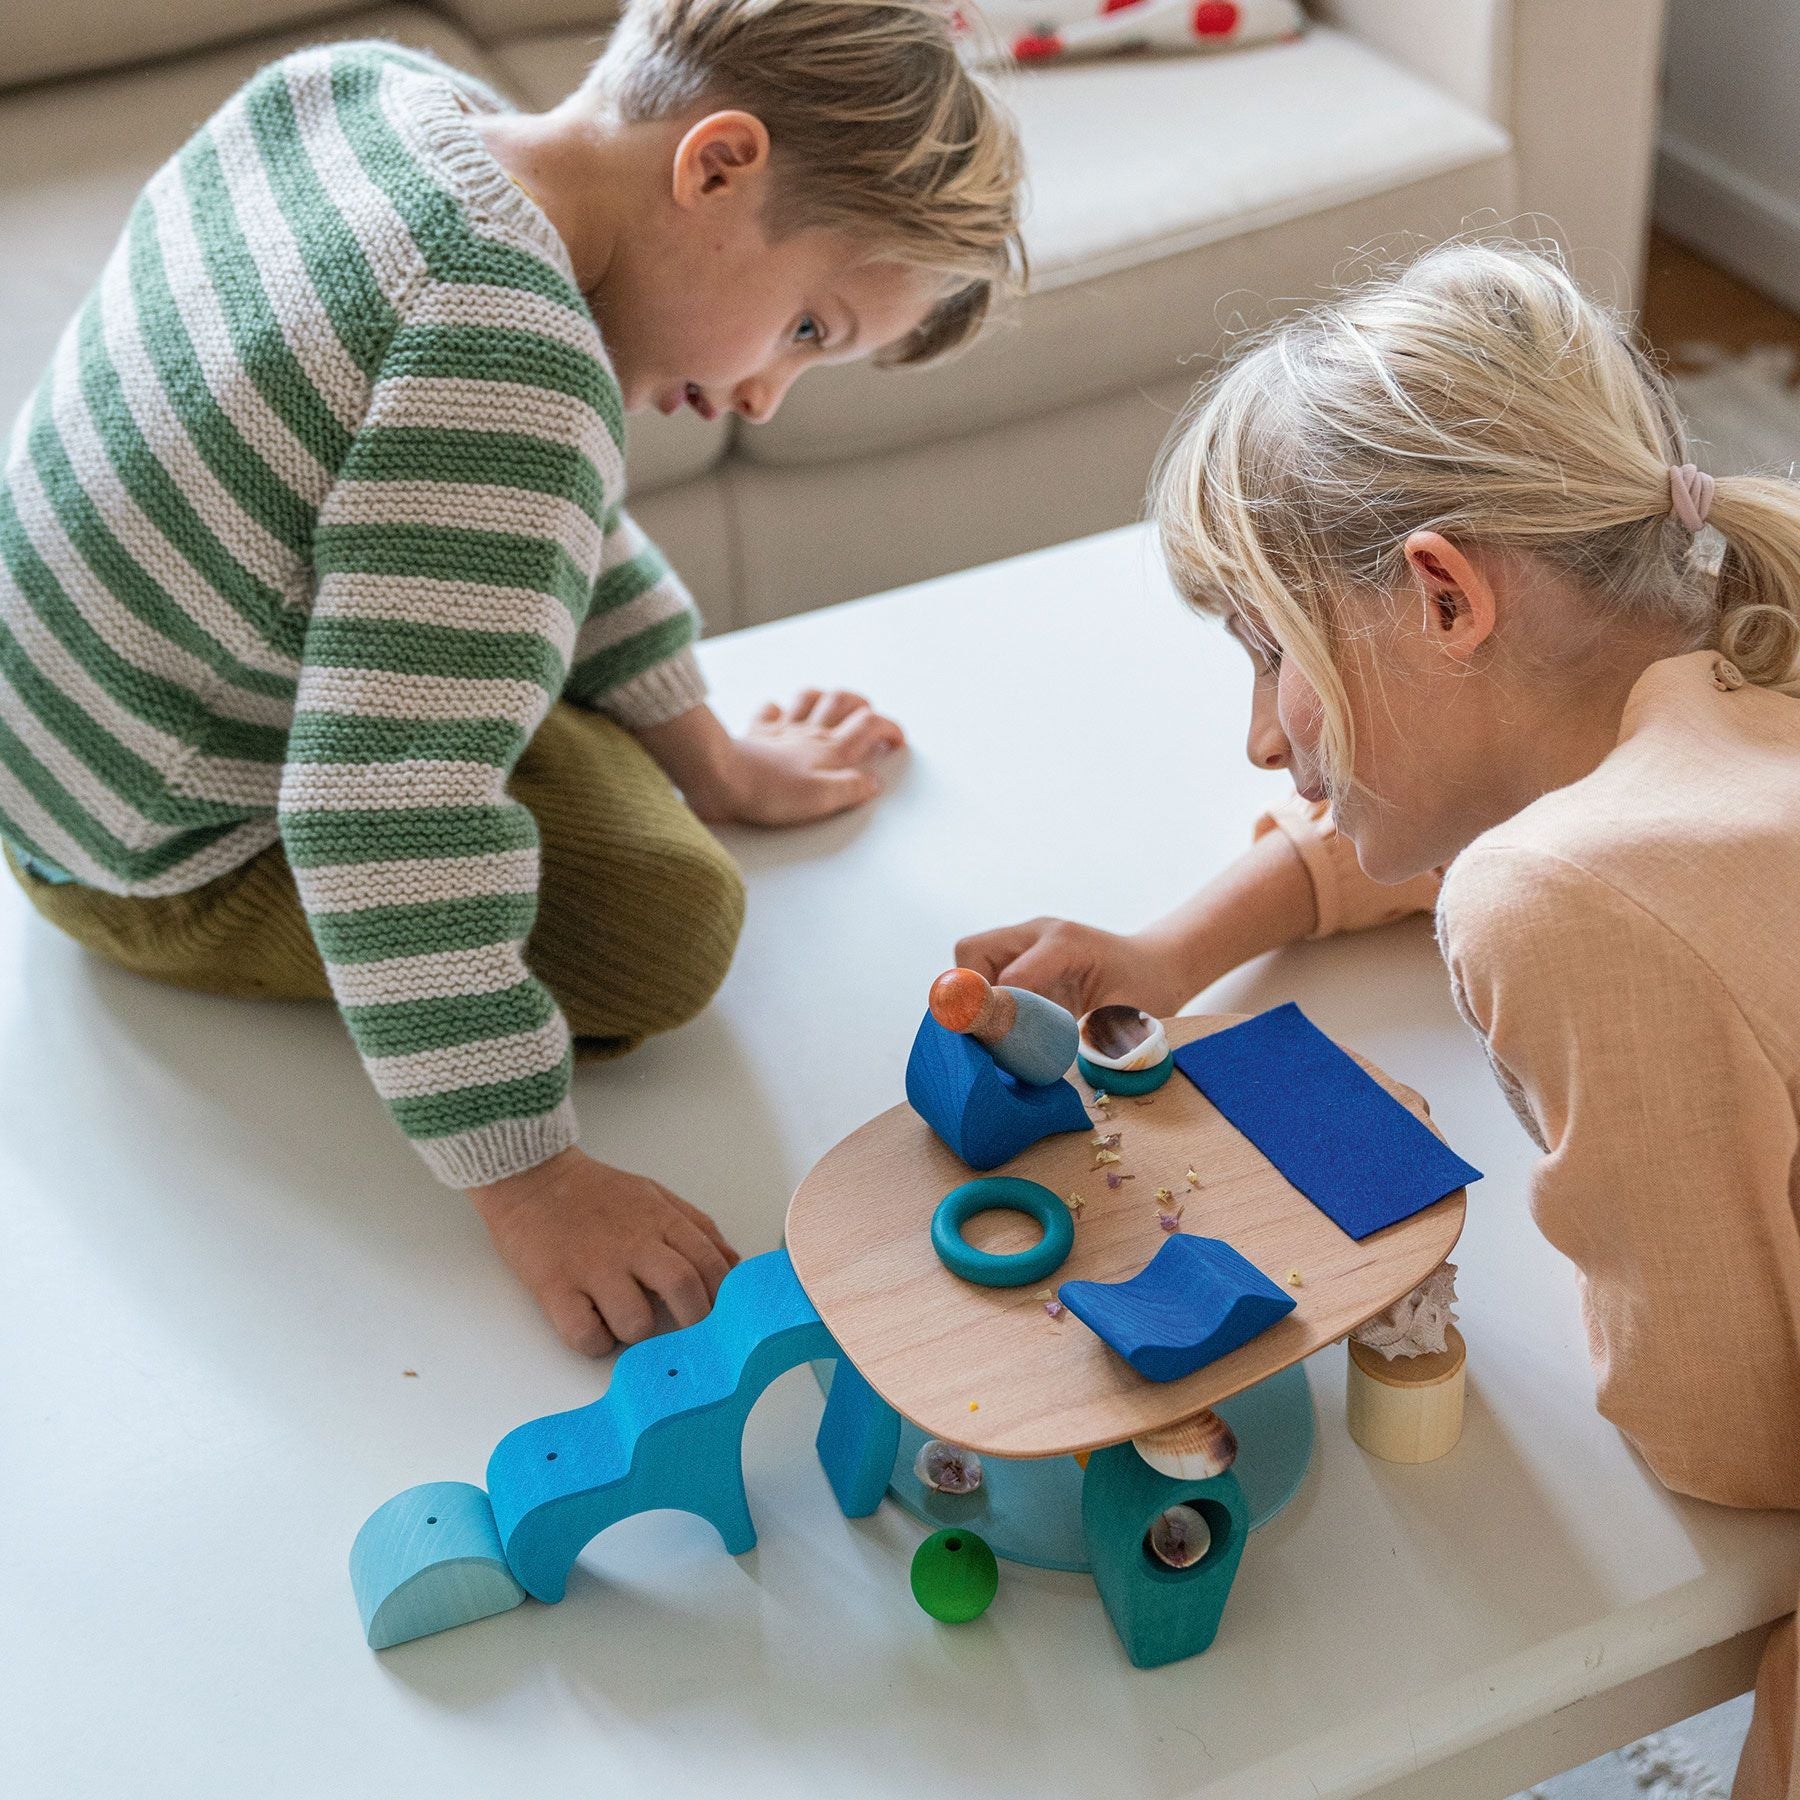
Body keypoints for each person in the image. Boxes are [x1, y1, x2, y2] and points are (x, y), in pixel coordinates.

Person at [0, 0, 1023, 1355]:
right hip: (151, 853)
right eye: (809, 328)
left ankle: (637, 737)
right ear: (716, 166)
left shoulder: (362, 92)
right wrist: (532, 1184)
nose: (770, 394)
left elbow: (537, 507)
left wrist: (705, 752)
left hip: (56, 733)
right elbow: (378, 813)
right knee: (671, 923)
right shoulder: (506, 361)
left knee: (503, 595)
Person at [958, 241, 1799, 1796]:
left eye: (1269, 653)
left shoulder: (1564, 895)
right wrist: (1179, 941)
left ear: (1441, 594)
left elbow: (1726, 1442)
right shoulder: (1743, 647)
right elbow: (1475, 811)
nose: (1260, 736)